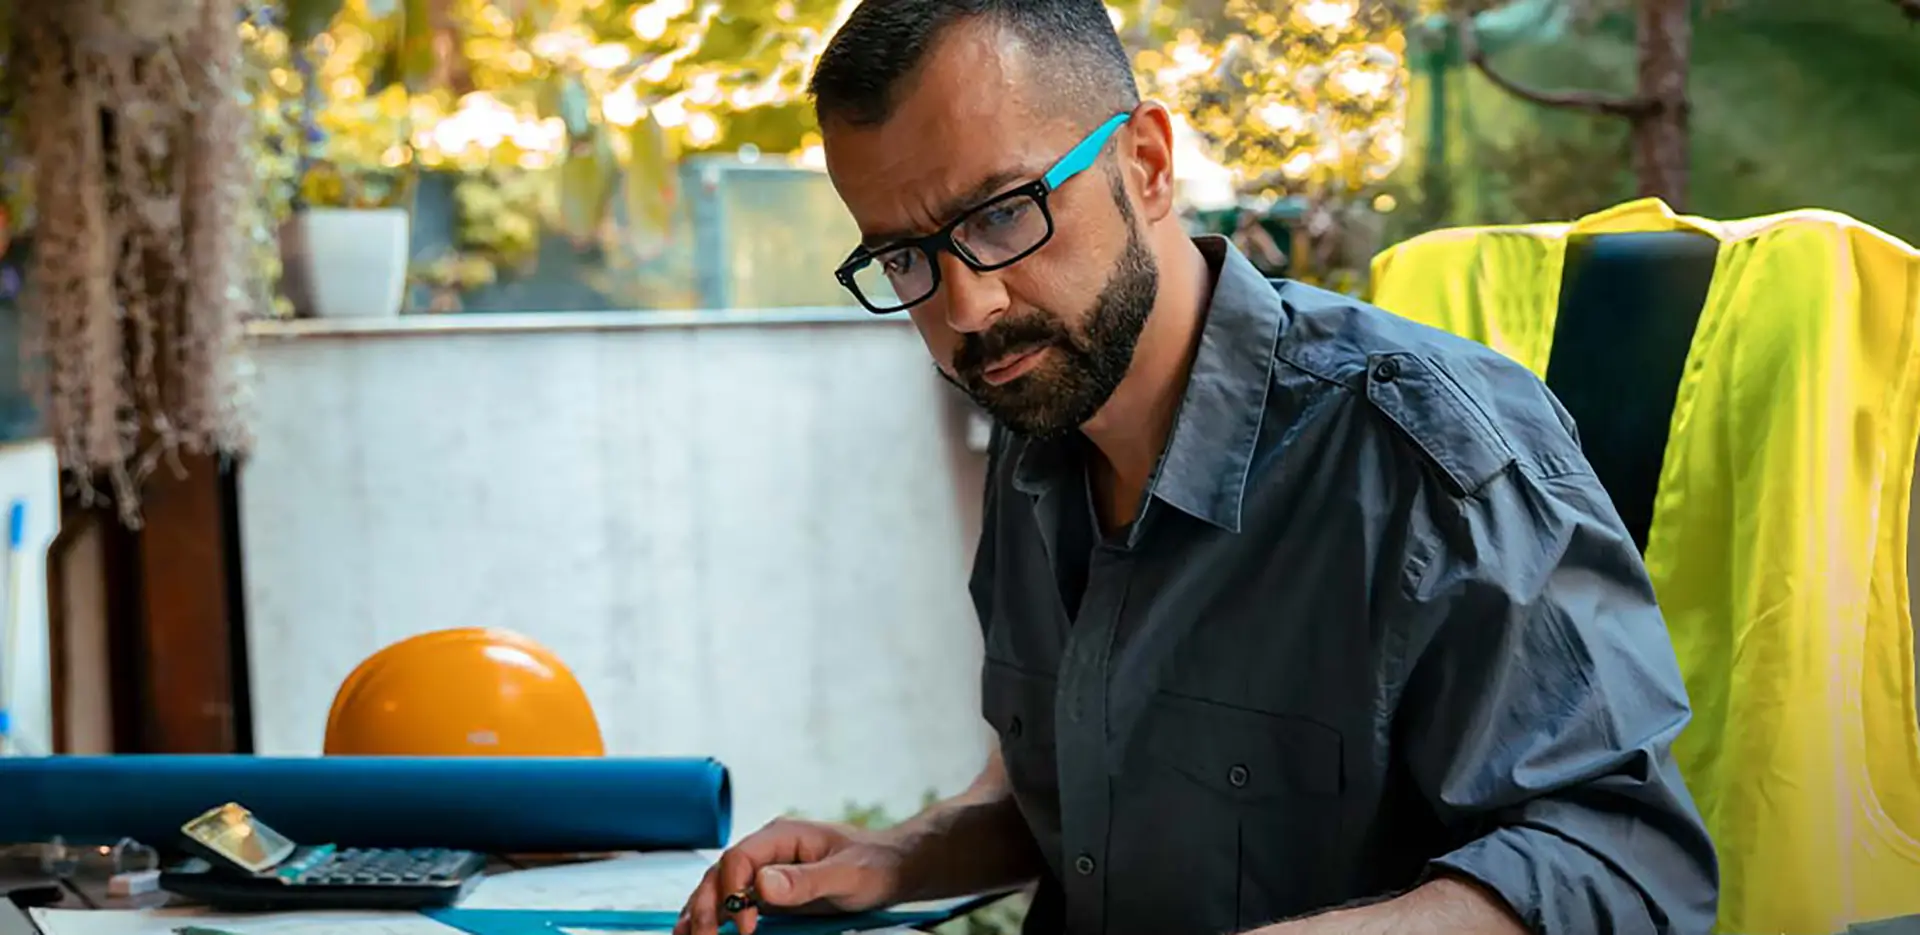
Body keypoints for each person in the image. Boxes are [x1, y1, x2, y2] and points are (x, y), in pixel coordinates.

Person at [674, 2, 1720, 934]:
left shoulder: (1425, 452)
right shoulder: (1042, 418)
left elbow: (1629, 864)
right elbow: (1093, 801)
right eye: (904, 255)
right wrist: (903, 854)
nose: (968, 308)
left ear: (1146, 163)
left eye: (1001, 213)